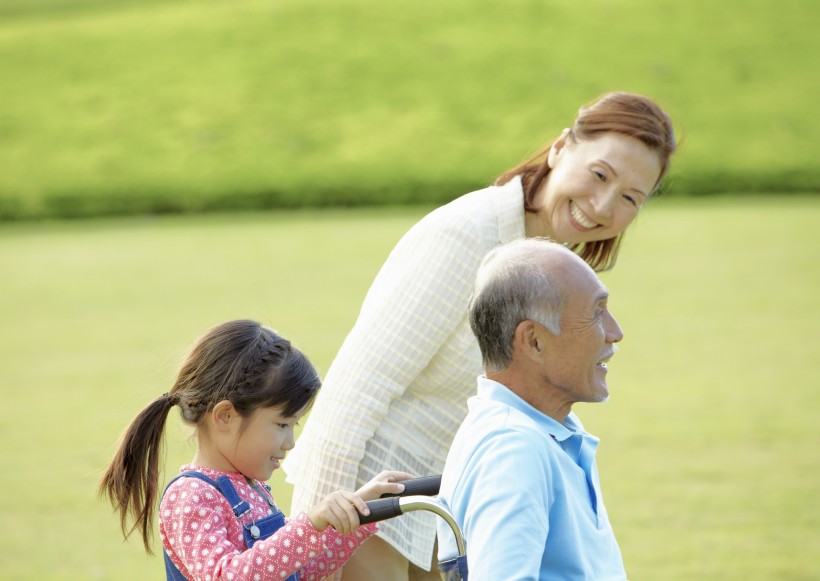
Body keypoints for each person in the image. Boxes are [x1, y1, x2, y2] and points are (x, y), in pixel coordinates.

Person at [283, 91, 676, 580]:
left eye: (629, 198)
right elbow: (354, 390)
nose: (601, 206)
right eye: (599, 175)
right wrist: (313, 547)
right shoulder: (468, 235)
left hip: (447, 504)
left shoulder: (556, 266)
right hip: (371, 500)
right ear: (559, 149)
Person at [99, 319, 413, 581]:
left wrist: (363, 513)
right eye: (281, 425)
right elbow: (229, 576)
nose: (290, 442)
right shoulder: (191, 497)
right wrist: (309, 525)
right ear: (225, 416)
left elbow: (296, 571)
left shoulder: (250, 488)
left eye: (294, 426)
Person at [436, 238, 627, 579]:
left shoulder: (545, 429)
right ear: (534, 341)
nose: (615, 332)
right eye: (596, 313)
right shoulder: (514, 449)